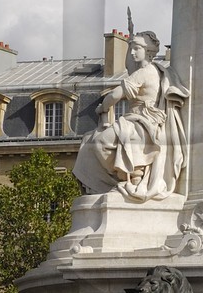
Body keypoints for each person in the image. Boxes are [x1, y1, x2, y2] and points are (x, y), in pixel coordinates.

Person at [73, 31, 188, 201]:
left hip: (142, 122)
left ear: (148, 51)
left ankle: (125, 177)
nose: (132, 52)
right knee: (88, 140)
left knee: (100, 141)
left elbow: (115, 96)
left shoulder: (144, 72)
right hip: (141, 121)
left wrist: (102, 108)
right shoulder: (157, 70)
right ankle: (126, 177)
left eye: (136, 48)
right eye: (131, 48)